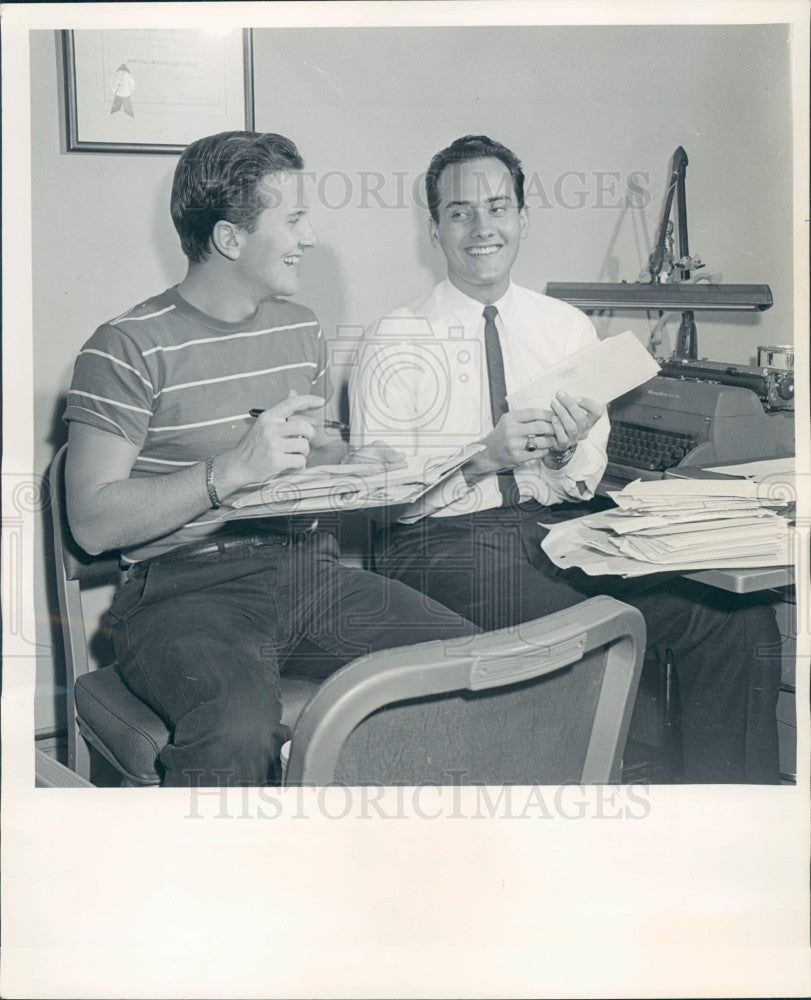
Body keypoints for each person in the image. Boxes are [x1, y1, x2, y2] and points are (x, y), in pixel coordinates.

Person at [349, 134, 782, 783]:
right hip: (434, 542)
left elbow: (579, 479)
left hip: (547, 527)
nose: (480, 227)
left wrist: (563, 451)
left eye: (497, 207)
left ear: (522, 218)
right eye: (459, 211)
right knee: (588, 627)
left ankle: (727, 825)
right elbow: (379, 498)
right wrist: (480, 457)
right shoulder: (393, 338)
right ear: (434, 227)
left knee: (730, 618)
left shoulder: (564, 328)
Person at [63, 130, 477, 788]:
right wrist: (225, 473)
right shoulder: (123, 347)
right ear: (231, 239)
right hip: (181, 595)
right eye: (293, 219)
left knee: (476, 667)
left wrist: (353, 462)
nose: (308, 237)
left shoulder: (299, 328)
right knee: (236, 731)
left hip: (307, 573)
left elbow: (301, 463)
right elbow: (90, 518)